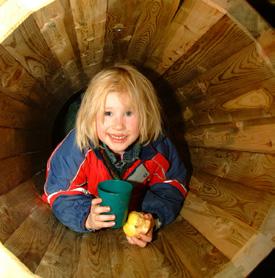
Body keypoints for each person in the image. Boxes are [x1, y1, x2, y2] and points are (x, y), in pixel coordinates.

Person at [43, 64, 189, 247]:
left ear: (146, 115)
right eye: (108, 113)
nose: (118, 125)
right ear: (91, 115)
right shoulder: (77, 147)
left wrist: (152, 217)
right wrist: (86, 216)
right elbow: (59, 191)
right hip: (90, 201)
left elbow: (172, 185)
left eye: (129, 113)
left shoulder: (158, 147)